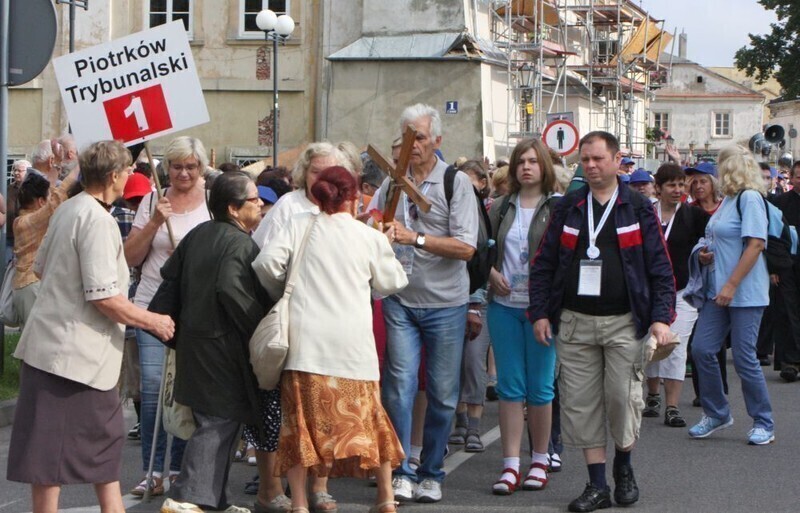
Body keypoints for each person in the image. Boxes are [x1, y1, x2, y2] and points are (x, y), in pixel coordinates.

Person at [6, 140, 175, 513]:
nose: (132, 175)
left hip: (55, 349)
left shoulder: (70, 209)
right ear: (114, 176)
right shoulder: (97, 220)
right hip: (75, 358)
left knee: (76, 452)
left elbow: (41, 267)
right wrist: (155, 320)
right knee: (80, 451)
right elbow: (104, 297)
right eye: (128, 170)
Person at [529, 131, 675, 512]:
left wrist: (661, 318)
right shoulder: (569, 206)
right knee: (580, 405)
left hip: (625, 322)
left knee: (622, 400)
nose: (591, 166)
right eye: (585, 160)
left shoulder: (638, 207)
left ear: (616, 160)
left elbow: (660, 267)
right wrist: (540, 312)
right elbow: (544, 263)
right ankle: (597, 485)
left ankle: (623, 467)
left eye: (598, 159)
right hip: (576, 323)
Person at [252, 166, 408, 513]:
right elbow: (392, 282)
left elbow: (265, 264)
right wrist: (387, 245)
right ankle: (384, 496)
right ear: (353, 196)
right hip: (354, 345)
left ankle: (300, 503)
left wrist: (286, 288)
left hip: (307, 343)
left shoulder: (299, 226)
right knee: (369, 419)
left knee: (300, 426)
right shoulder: (367, 236)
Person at [378, 103, 479, 504]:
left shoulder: (456, 183)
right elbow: (382, 227)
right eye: (406, 136)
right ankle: (403, 469)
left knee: (441, 393)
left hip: (445, 303)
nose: (412, 144)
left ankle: (432, 471)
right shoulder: (392, 181)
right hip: (400, 298)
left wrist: (414, 239)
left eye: (418, 136)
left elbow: (467, 247)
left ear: (437, 140)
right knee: (398, 388)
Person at [247, 142, 354, 513]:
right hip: (293, 322)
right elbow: (261, 260)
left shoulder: (345, 210)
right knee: (281, 407)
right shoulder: (289, 208)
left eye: (329, 172)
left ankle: (319, 486)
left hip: (332, 323)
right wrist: (285, 295)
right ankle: (272, 487)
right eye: (315, 171)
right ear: (303, 173)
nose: (321, 178)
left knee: (322, 406)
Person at [157, 172, 269, 513]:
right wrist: (261, 331)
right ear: (234, 209)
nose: (261, 203)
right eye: (253, 199)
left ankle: (217, 499)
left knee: (223, 417)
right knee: (218, 419)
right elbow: (231, 290)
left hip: (194, 341)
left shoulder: (199, 233)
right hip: (221, 345)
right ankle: (188, 496)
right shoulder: (239, 242)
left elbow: (168, 274)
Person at [123, 136, 212, 497]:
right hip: (151, 306)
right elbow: (129, 256)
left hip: (195, 310)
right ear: (167, 168)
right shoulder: (151, 200)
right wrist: (155, 223)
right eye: (177, 166)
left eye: (191, 166)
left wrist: (192, 254)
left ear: (201, 168)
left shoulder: (211, 203)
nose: (183, 173)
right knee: (152, 388)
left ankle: (177, 468)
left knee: (184, 391)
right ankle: (151, 470)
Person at [688, 144, 775, 446]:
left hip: (744, 292)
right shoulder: (729, 200)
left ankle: (763, 421)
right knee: (701, 349)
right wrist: (703, 254)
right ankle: (717, 413)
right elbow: (714, 238)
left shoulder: (749, 199)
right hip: (718, 291)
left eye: (720, 166)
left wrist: (731, 285)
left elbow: (756, 245)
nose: (715, 173)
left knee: (744, 358)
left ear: (730, 168)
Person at [485, 138, 558, 495]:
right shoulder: (499, 206)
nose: (527, 167)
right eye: (521, 161)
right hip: (504, 306)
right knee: (509, 388)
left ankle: (540, 459)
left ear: (544, 166)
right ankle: (511, 465)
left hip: (541, 310)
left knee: (541, 388)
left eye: (533, 161)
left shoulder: (558, 207)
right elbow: (482, 250)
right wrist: (489, 273)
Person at [642, 164, 709, 427]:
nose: (678, 190)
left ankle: (672, 407)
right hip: (649, 291)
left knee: (676, 347)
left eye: (682, 185)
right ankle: (653, 395)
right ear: (658, 188)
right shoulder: (646, 213)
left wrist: (704, 256)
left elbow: (709, 241)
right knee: (652, 344)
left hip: (683, 290)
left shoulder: (694, 216)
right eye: (672, 185)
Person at [449, 160, 492, 453]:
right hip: (450, 298)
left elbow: (483, 260)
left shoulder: (482, 214)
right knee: (452, 365)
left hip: (478, 300)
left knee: (474, 364)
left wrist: (476, 302)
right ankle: (460, 422)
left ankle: (474, 427)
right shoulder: (450, 211)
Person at [12, 164, 80, 330]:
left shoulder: (20, 220)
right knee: (37, 342)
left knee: (32, 342)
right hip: (32, 286)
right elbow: (57, 200)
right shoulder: (30, 222)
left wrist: (57, 166)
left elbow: (52, 196)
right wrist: (78, 168)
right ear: (41, 201)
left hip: (25, 287)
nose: (50, 198)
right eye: (47, 196)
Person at [768, 160, 800, 382]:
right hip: (787, 264)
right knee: (788, 311)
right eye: (798, 176)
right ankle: (790, 361)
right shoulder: (781, 203)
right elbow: (772, 236)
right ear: (791, 178)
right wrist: (773, 267)